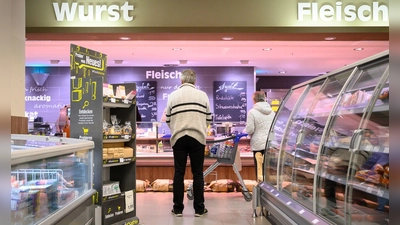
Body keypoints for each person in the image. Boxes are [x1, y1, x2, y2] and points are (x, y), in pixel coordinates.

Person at [165, 69, 212, 217]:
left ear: (181, 80)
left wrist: (176, 127)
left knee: (179, 173)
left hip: (178, 137)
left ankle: (177, 209)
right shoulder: (202, 95)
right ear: (195, 81)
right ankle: (199, 209)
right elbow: (209, 119)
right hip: (197, 137)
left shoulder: (172, 96)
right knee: (198, 174)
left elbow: (167, 119)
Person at [244, 91, 275, 182]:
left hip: (258, 145)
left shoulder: (252, 112)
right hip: (270, 144)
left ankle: (260, 191)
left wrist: (244, 131)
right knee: (268, 170)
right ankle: (268, 191)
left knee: (259, 170)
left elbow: (250, 130)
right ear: (264, 99)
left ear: (254, 100)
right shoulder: (272, 112)